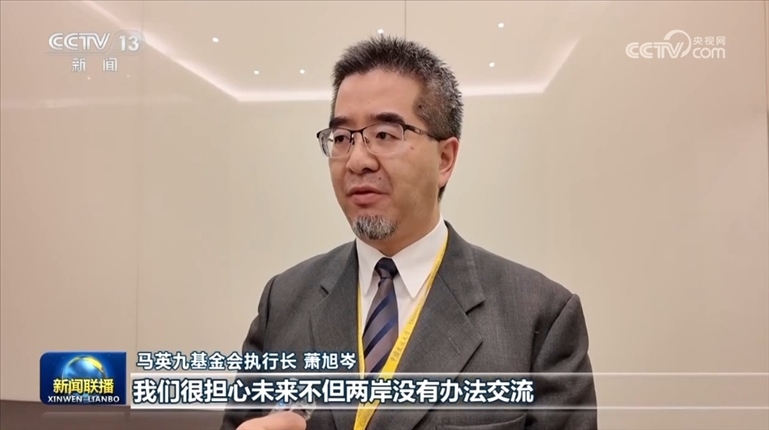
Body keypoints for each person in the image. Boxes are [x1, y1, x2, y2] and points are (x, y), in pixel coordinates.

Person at [222, 36, 597, 430]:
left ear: (445, 159)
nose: (357, 160)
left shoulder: (540, 318)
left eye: (385, 134)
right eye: (342, 138)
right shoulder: (283, 300)